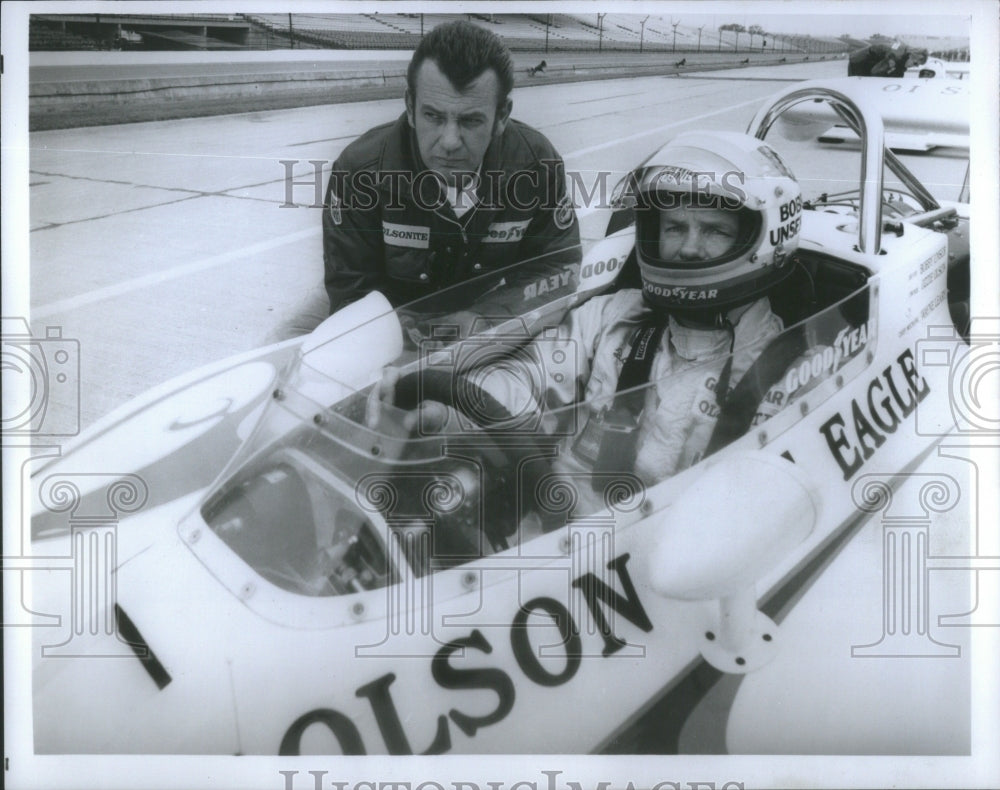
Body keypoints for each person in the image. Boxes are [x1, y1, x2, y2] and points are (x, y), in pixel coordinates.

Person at [379, 131, 816, 492]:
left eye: (715, 231)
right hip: (554, 535)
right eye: (675, 227)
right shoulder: (615, 316)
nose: (687, 248)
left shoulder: (790, 371)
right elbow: (529, 378)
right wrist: (448, 411)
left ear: (762, 240)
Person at [272, 21, 581, 341]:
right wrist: (411, 340)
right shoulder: (359, 171)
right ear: (410, 106)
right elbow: (352, 291)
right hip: (383, 309)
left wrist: (485, 320)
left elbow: (558, 269)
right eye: (433, 116)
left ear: (501, 116)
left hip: (490, 303)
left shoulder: (537, 164)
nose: (449, 141)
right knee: (281, 360)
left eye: (471, 120)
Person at [847, 42, 928, 77]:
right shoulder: (895, 57)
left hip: (869, 61)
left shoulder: (903, 58)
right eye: (915, 63)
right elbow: (875, 73)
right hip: (859, 61)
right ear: (911, 56)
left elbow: (899, 73)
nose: (915, 66)